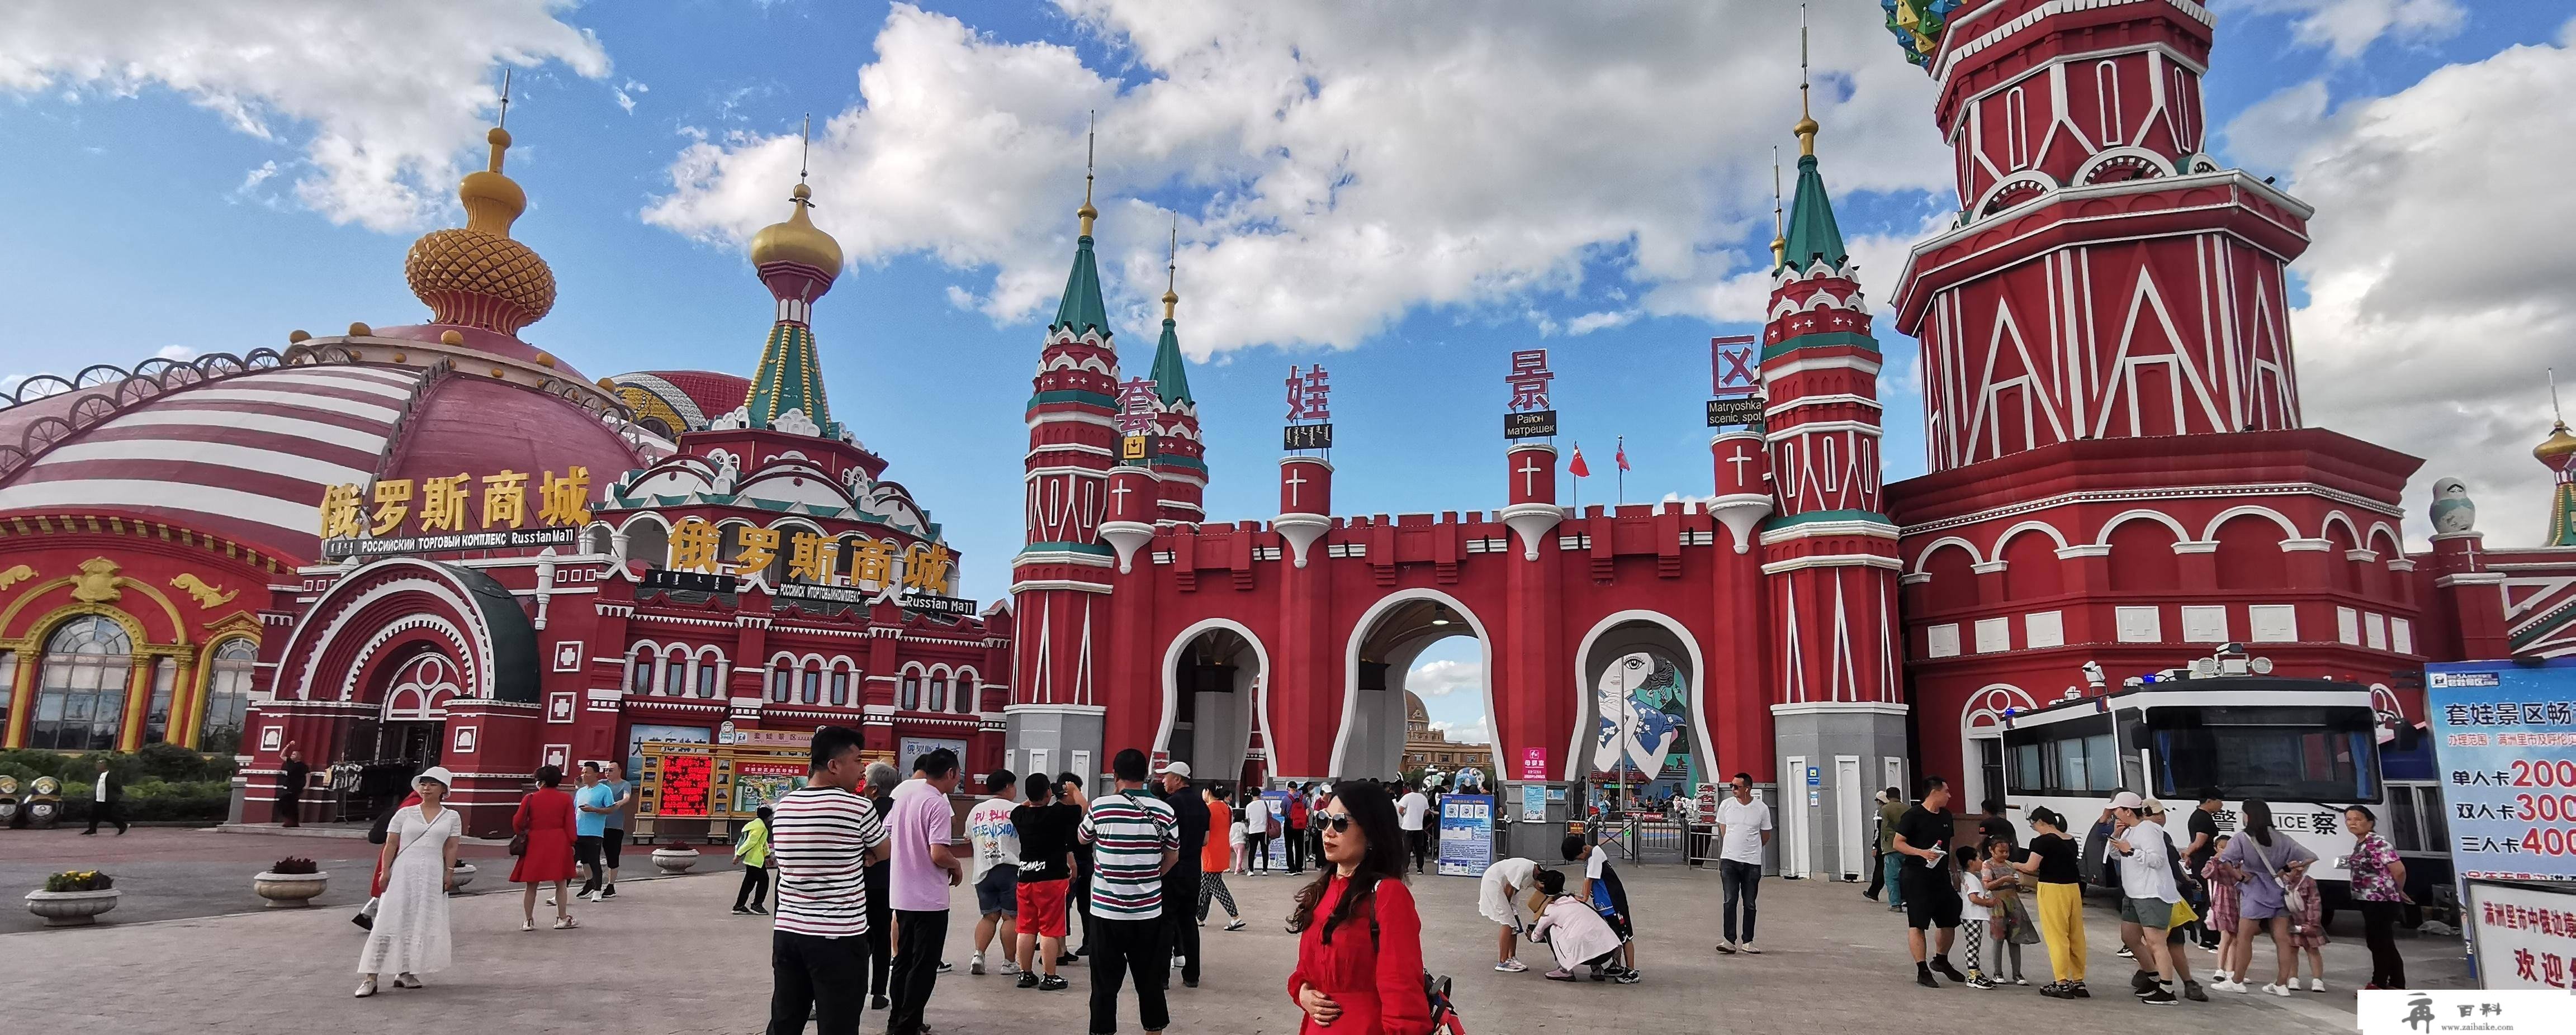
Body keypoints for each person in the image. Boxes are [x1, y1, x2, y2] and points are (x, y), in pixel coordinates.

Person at [767, 725, 891, 1035]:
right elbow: (885, 850)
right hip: (839, 935)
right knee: (839, 1024)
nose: (862, 768)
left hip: (788, 931)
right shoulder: (858, 807)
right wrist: (866, 856)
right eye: (857, 759)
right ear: (834, 766)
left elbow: (784, 860)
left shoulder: (783, 807)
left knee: (786, 1019)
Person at [1286, 780, 1432, 1035]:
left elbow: (1402, 987)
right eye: (1324, 820)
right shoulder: (1323, 889)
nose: (1328, 832)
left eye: (1341, 823)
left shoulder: (1388, 894)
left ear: (1372, 832)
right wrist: (1303, 993)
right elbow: (1305, 969)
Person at [1081, 748, 1180, 1035]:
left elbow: (1082, 837)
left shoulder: (1101, 806)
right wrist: (1151, 877)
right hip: (1148, 912)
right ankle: (1154, 1031)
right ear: (1147, 775)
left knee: (1103, 985)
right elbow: (1173, 856)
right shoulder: (1165, 810)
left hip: (1105, 912)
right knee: (1149, 980)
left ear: (1115, 776)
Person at [354, 767, 462, 998]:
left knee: (418, 923)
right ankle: (370, 977)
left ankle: (405, 971)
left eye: (433, 784)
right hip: (403, 870)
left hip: (432, 872)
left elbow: (451, 846)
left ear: (444, 789)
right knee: (388, 920)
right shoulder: (405, 814)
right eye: (423, 784)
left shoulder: (452, 817)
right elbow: (391, 844)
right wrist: (385, 872)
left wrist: (449, 873)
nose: (426, 788)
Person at [886, 749, 965, 1035]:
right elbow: (938, 853)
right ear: (951, 773)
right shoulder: (938, 803)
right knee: (923, 965)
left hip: (902, 893)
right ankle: (908, 1026)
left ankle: (897, 1020)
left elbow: (889, 832)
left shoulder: (905, 796)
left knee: (903, 961)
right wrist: (956, 865)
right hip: (929, 899)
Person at [2212, 799, 2315, 997]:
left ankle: (2237, 981)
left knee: (2245, 938)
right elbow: (2309, 857)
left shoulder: (2243, 838)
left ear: (2248, 816)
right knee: (2282, 940)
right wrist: (2286, 871)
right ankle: (2281, 984)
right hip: (2279, 890)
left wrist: (2240, 876)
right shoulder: (2282, 838)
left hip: (2254, 891)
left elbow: (2225, 861)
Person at [2104, 791, 2181, 1005]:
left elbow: (2156, 860)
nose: (2114, 815)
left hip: (2151, 893)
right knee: (2129, 938)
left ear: (2128, 811)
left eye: (2117, 810)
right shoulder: (2130, 831)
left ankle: (2167, 990)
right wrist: (2117, 840)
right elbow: (2117, 856)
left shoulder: (2149, 829)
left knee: (2156, 942)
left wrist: (2131, 851)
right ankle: (2153, 977)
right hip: (2134, 893)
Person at [1892, 777, 1966, 987]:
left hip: (1941, 876)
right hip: (1916, 875)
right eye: (1947, 791)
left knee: (1950, 918)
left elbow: (1950, 846)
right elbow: (1898, 843)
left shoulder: (1946, 816)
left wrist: (1955, 873)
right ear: (1934, 792)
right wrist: (1921, 853)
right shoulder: (1913, 815)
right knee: (1918, 923)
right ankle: (1922, 969)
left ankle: (1941, 959)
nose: (1950, 796)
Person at [1012, 772, 1079, 991]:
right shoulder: (1057, 814)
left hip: (1026, 877)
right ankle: (1050, 976)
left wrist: (1035, 798)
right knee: (1050, 929)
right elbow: (1083, 809)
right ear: (1049, 793)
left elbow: (1025, 805)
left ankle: (1025, 973)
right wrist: (1073, 791)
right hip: (1051, 879)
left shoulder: (1019, 814)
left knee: (1026, 928)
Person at [2013, 806, 2088, 998]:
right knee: (2075, 935)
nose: (2034, 828)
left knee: (2057, 936)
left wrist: (2013, 865)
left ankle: (2061, 981)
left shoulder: (2041, 842)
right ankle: (2078, 981)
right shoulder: (2070, 839)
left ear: (2041, 822)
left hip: (2052, 889)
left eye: (2033, 825)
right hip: (2073, 888)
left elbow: (2031, 867)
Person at [1156, 761, 1211, 987]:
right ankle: (1192, 975)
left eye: (1166, 777)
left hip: (1172, 869)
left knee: (1166, 921)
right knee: (1188, 921)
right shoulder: (1202, 806)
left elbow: (1162, 841)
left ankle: (1163, 977)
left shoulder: (1170, 805)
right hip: (1193, 870)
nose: (1163, 781)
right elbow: (1206, 840)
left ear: (1178, 779)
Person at [965, 768, 1023, 977]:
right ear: (1008, 786)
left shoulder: (976, 811)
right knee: (1010, 917)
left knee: (988, 916)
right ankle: (1009, 963)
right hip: (1010, 869)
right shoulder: (1017, 810)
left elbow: (967, 836)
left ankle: (978, 955)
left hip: (983, 870)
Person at [2345, 804, 2409, 990]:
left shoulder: (2377, 843)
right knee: (2383, 941)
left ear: (2370, 822)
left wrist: (2398, 890)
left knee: (2379, 942)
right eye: (2349, 819)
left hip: (2381, 900)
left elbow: (2399, 870)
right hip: (2367, 899)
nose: (2353, 823)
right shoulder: (2362, 842)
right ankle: (2397, 983)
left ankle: (2378, 983)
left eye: (2358, 819)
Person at [1560, 834, 1639, 982]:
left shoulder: (1595, 855)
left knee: (1625, 937)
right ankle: (1617, 965)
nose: (1580, 860)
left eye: (1579, 857)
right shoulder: (1590, 857)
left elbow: (1589, 879)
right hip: (1605, 906)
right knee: (1614, 936)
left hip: (1614, 904)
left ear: (1584, 849)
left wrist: (1583, 898)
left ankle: (1631, 972)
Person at [510, 763, 579, 932]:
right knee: (561, 883)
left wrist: (524, 832)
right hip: (559, 841)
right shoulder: (565, 799)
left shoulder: (531, 798)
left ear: (540, 781)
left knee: (532, 884)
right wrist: (571, 842)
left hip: (535, 841)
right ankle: (562, 918)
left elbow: (517, 822)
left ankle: (528, 921)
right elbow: (570, 823)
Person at [1528, 867, 1627, 982]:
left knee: (1550, 930)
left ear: (1542, 888)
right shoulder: (1577, 901)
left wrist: (1531, 935)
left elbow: (1536, 936)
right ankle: (1597, 969)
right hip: (1607, 951)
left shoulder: (1551, 909)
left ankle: (1565, 971)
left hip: (1586, 955)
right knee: (1586, 925)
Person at [1712, 772, 1772, 955]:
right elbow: (1723, 829)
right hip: (1730, 859)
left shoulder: (1761, 809)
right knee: (1730, 900)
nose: (1733, 789)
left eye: (1737, 787)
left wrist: (1751, 848)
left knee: (1750, 902)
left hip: (1752, 862)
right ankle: (1729, 940)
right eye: (1732, 786)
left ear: (1747, 788)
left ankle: (1748, 941)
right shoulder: (1726, 806)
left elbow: (1766, 835)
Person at [864, 762, 903, 1009]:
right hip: (890, 882)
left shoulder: (861, 809)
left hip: (859, 882)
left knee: (857, 938)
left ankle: (852, 987)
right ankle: (879, 992)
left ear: (874, 788)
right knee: (881, 938)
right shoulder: (901, 810)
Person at [1977, 835, 2036, 987]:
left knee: (2015, 938)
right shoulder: (1987, 865)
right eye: (2001, 851)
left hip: (2013, 904)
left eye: (2007, 852)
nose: (2004, 854)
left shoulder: (2010, 865)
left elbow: (2017, 884)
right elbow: (1988, 886)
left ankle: (2017, 973)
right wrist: (2004, 880)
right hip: (1998, 904)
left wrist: (2019, 884)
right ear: (1991, 851)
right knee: (1998, 939)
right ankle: (1998, 973)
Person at [1478, 854, 1540, 972]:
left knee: (1514, 920)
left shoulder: (1533, 870)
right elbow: (1510, 887)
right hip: (1495, 883)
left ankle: (1511, 957)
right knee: (1508, 921)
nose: (1539, 888)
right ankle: (1502, 961)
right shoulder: (1526, 869)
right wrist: (1508, 907)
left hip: (1503, 884)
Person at [1199, 784, 1245, 930]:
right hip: (1221, 851)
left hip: (1210, 851)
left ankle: (1235, 916)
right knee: (1205, 886)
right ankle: (1199, 916)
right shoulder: (1226, 808)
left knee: (1217, 888)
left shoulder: (1208, 809)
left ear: (1209, 792)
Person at [2184, 790, 2224, 949]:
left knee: (2208, 899)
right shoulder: (2203, 818)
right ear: (2210, 800)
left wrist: (2189, 854)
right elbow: (2199, 842)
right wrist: (2188, 853)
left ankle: (2208, 937)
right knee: (2211, 899)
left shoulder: (2198, 815)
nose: (2222, 805)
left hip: (2200, 862)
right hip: (2205, 863)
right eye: (2220, 801)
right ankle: (2209, 939)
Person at [1064, 771, 1098, 961]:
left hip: (1083, 863)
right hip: (1072, 865)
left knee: (1083, 905)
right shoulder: (1068, 811)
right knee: (1067, 905)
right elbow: (1084, 808)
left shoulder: (1076, 811)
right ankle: (1060, 942)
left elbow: (1085, 809)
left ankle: (1088, 941)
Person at [2203, 834, 2241, 989]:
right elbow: (2206, 874)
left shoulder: (2238, 863)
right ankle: (2220, 969)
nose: (2225, 850)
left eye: (2228, 847)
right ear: (2216, 848)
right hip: (2222, 901)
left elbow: (2243, 878)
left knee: (2235, 937)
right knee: (2226, 935)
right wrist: (2218, 859)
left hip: (2238, 901)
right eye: (2222, 847)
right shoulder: (2214, 862)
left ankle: (2231, 971)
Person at [1954, 845, 1995, 989]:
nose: (1981, 861)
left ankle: (1977, 971)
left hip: (1972, 916)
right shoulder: (1971, 879)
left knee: (1975, 944)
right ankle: (1973, 975)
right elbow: (1974, 898)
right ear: (1971, 862)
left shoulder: (1966, 876)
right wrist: (1988, 903)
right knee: (1973, 945)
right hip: (1972, 916)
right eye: (1979, 858)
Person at [572, 762, 613, 900]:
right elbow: (574, 811)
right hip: (577, 832)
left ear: (596, 774)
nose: (584, 775)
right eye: (583, 773)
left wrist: (594, 809)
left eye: (587, 772)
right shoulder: (581, 791)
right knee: (572, 861)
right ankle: (560, 892)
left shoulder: (605, 790)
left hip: (594, 833)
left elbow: (611, 809)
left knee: (594, 861)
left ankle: (597, 890)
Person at [596, 761, 636, 900]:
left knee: (612, 856)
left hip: (614, 826)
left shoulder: (625, 784)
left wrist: (618, 803)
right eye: (606, 770)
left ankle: (611, 885)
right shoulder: (601, 783)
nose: (608, 772)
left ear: (619, 771)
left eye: (611, 770)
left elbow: (627, 797)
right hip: (597, 825)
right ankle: (593, 884)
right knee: (590, 855)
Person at [734, 806, 775, 915]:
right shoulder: (761, 827)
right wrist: (738, 855)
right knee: (764, 881)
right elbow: (751, 842)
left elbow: (762, 844)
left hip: (753, 859)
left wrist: (768, 856)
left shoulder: (754, 824)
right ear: (767, 817)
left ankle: (739, 906)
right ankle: (757, 905)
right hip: (756, 860)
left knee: (749, 883)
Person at [1876, 786, 1907, 910]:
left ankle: (1895, 904)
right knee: (1906, 876)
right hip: (1907, 846)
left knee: (1892, 877)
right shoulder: (1908, 808)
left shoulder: (1885, 810)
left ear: (1888, 797)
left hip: (1891, 847)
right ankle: (1906, 901)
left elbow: (1881, 829)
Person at [83, 758, 126, 835]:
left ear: (104, 766)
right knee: (93, 815)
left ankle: (122, 825)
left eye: (99, 765)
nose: (97, 766)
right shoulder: (99, 775)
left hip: (107, 799)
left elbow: (117, 787)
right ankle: (92, 830)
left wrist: (116, 797)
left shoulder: (112, 775)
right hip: (99, 799)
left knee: (107, 815)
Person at [1396, 781, 1432, 875]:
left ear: (1411, 787)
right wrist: (1421, 816)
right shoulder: (1423, 798)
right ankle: (1420, 869)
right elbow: (1427, 811)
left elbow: (1400, 809)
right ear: (1419, 787)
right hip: (1419, 828)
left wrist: (1405, 816)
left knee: (1406, 849)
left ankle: (1405, 868)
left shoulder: (1407, 797)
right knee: (1419, 849)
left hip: (1407, 827)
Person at [1863, 789, 1890, 901]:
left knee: (1880, 869)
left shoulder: (1880, 813)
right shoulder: (1895, 810)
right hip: (1894, 844)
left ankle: (1873, 892)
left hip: (1882, 845)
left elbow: (1877, 832)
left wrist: (1874, 847)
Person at [1242, 789, 1275, 875]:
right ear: (1260, 794)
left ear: (1252, 795)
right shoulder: (1265, 804)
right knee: (1265, 850)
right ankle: (1265, 870)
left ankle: (1251, 870)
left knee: (1252, 850)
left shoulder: (1249, 806)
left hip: (1253, 830)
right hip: (1264, 831)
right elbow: (1269, 815)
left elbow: (1248, 819)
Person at [277, 744, 310, 828]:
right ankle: (289, 820)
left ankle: (293, 822)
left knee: (292, 804)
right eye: (292, 754)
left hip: (297, 786)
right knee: (284, 802)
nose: (292, 755)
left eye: (295, 754)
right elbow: (282, 756)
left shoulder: (302, 765)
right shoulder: (289, 762)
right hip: (288, 785)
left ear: (299, 757)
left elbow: (308, 775)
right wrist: (288, 746)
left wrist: (307, 785)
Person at [1285, 783, 1311, 875]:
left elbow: (1282, 812)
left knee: (1289, 846)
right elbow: (1308, 811)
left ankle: (1291, 868)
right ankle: (1299, 868)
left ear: (1289, 789)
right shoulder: (1304, 798)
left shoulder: (1286, 799)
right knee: (1299, 846)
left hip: (1289, 823)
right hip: (1300, 824)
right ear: (1296, 789)